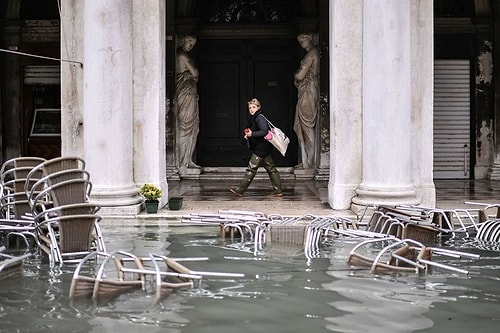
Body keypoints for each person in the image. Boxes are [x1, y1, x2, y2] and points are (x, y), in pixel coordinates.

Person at [229, 98, 283, 197]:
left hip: (261, 148)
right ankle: (278, 190)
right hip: (264, 148)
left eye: (253, 107)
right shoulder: (256, 117)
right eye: (250, 108)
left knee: (251, 168)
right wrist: (249, 134)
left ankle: (240, 190)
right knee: (271, 168)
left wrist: (252, 134)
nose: (251, 109)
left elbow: (264, 131)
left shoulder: (259, 118)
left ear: (258, 107)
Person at [294, 33, 320, 170]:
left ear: (310, 38)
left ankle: (310, 162)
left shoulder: (312, 53)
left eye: (303, 39)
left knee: (307, 125)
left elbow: (300, 75)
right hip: (307, 89)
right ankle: (306, 160)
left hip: (308, 90)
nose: (301, 42)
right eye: (299, 40)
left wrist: (295, 75)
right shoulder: (312, 52)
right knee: (302, 125)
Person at [175, 34, 200, 169]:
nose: (191, 45)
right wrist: (192, 74)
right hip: (185, 92)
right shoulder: (182, 56)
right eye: (189, 42)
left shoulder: (184, 55)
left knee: (193, 127)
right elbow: (195, 72)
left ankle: (187, 160)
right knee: (186, 124)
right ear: (183, 40)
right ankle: (182, 162)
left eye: (193, 43)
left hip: (188, 91)